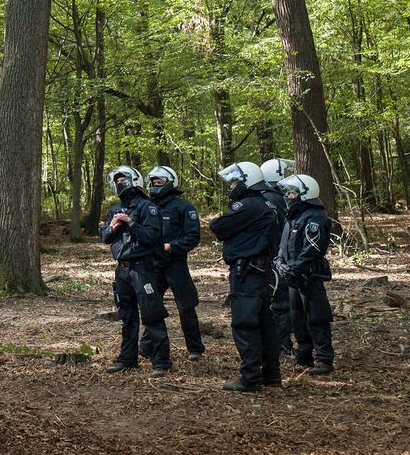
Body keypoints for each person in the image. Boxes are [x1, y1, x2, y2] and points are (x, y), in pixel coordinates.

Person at [208, 161, 282, 392]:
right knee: (264, 322)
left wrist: (215, 222)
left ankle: (250, 378)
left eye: (233, 182)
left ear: (246, 181)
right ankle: (271, 373)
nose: (231, 186)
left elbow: (219, 227)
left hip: (248, 272)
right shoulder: (267, 203)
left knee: (245, 322)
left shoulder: (248, 205)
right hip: (260, 271)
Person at [101, 165, 171, 375]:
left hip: (142, 269)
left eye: (123, 180)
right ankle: (127, 359)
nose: (119, 184)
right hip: (122, 270)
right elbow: (105, 237)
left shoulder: (147, 207)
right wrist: (113, 226)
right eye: (117, 181)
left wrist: (131, 222)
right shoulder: (115, 209)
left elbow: (152, 237)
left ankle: (161, 361)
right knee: (127, 315)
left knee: (151, 314)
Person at [276, 173, 335, 375]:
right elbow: (283, 245)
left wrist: (296, 267)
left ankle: (324, 359)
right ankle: (303, 356)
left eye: (293, 193)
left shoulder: (315, 218)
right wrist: (280, 262)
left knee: (316, 317)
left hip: (310, 276)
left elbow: (313, 248)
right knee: (297, 318)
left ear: (305, 193)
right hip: (293, 277)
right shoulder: (292, 217)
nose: (289, 196)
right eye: (288, 192)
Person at [143, 165, 204, 358]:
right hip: (154, 264)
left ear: (171, 183)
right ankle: (146, 347)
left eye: (159, 181)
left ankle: (195, 348)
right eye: (153, 182)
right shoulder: (148, 206)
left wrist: (172, 246)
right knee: (152, 306)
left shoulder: (183, 207)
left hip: (176, 264)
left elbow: (193, 236)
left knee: (186, 306)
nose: (155, 185)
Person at [259, 156, 296, 356]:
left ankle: (274, 344)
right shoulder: (276, 200)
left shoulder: (264, 197)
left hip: (267, 258)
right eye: (287, 173)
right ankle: (281, 345)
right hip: (277, 258)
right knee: (282, 303)